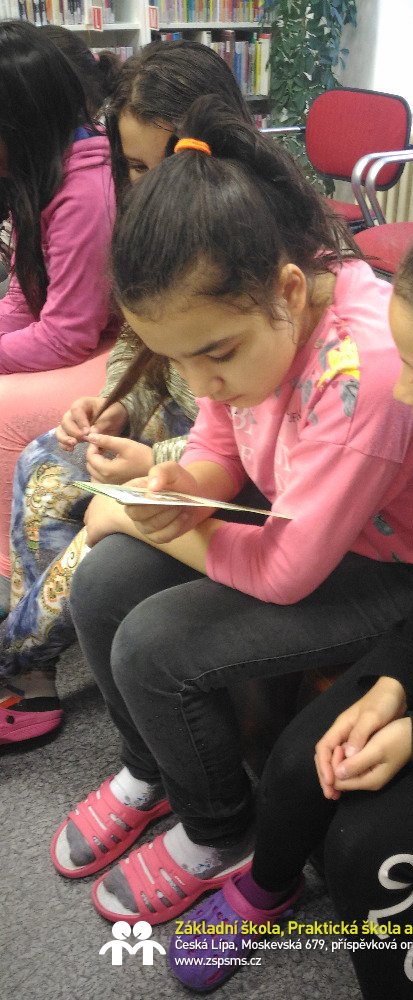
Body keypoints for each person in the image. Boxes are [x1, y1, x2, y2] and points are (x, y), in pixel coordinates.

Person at [49, 97, 413, 931]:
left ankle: (219, 830)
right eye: (179, 359)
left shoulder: (362, 373)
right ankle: (154, 769)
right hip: (304, 521)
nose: (201, 382)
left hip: (391, 572)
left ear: (289, 292)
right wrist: (177, 478)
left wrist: (144, 514)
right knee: (103, 584)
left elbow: (286, 571)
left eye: (215, 355)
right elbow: (220, 436)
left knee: (155, 644)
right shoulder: (254, 309)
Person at [168, 187, 413, 998]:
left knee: (367, 850)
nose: (403, 395)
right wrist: (392, 683)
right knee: (303, 760)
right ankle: (267, 889)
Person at [0, 39, 255, 742]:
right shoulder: (151, 226)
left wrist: (156, 460)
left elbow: (247, 424)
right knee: (43, 464)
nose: (150, 184)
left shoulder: (247, 234)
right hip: (170, 424)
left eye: (168, 160)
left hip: (219, 459)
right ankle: (34, 667)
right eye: (136, 167)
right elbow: (138, 341)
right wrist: (116, 403)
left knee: (99, 536)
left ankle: (16, 654)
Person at [0, 21, 120, 586]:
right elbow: (23, 301)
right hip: (80, 332)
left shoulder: (85, 191)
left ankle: (10, 574)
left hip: (117, 342)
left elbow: (68, 334)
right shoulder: (39, 172)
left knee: (4, 409)